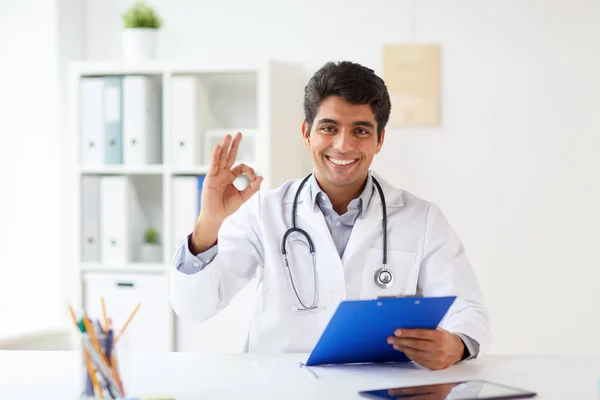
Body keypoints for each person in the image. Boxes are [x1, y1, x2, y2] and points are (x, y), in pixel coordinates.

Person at [170, 61, 491, 370]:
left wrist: (456, 344)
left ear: (380, 140)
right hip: (281, 389)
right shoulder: (265, 212)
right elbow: (194, 307)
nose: (343, 144)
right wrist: (208, 224)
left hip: (376, 387)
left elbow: (467, 308)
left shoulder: (421, 218)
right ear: (306, 133)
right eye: (329, 127)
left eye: (361, 130)